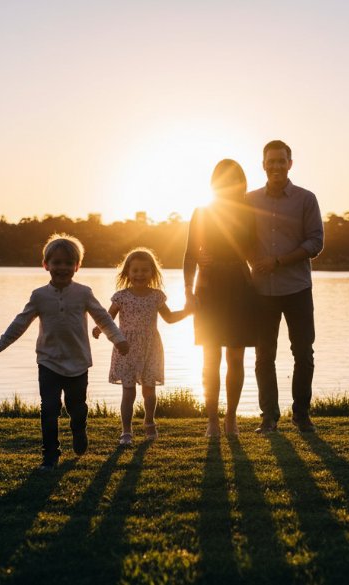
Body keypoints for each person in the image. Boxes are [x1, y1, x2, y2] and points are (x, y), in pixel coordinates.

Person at [0, 234, 129, 470]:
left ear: (77, 266)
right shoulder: (39, 296)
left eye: (67, 263)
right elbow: (20, 323)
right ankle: (50, 455)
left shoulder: (83, 293)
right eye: (56, 263)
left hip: (78, 362)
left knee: (77, 408)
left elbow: (103, 318)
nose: (62, 268)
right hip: (48, 362)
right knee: (49, 409)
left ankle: (78, 429)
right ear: (46, 265)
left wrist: (119, 340)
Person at [247, 140, 324, 433]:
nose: (276, 166)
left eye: (282, 161)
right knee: (264, 355)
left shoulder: (306, 199)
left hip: (297, 289)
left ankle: (301, 415)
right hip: (261, 291)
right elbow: (239, 238)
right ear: (263, 164)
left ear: (290, 164)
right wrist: (253, 258)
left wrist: (278, 261)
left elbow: (315, 242)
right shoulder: (248, 200)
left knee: (303, 353)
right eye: (271, 161)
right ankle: (269, 418)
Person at [184, 159, 257, 437]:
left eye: (234, 179)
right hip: (209, 288)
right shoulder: (201, 212)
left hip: (240, 287)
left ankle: (231, 419)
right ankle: (212, 421)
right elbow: (189, 254)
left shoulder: (250, 213)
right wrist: (188, 291)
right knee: (210, 357)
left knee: (236, 358)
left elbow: (256, 249)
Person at [93, 248, 191, 446]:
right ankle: (126, 431)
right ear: (127, 272)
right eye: (135, 270)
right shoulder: (121, 297)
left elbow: (170, 318)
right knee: (128, 392)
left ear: (152, 273)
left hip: (151, 347)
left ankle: (149, 422)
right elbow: (107, 318)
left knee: (149, 390)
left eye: (144, 270)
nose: (139, 274)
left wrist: (188, 312)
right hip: (126, 348)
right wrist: (99, 328)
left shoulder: (156, 296)